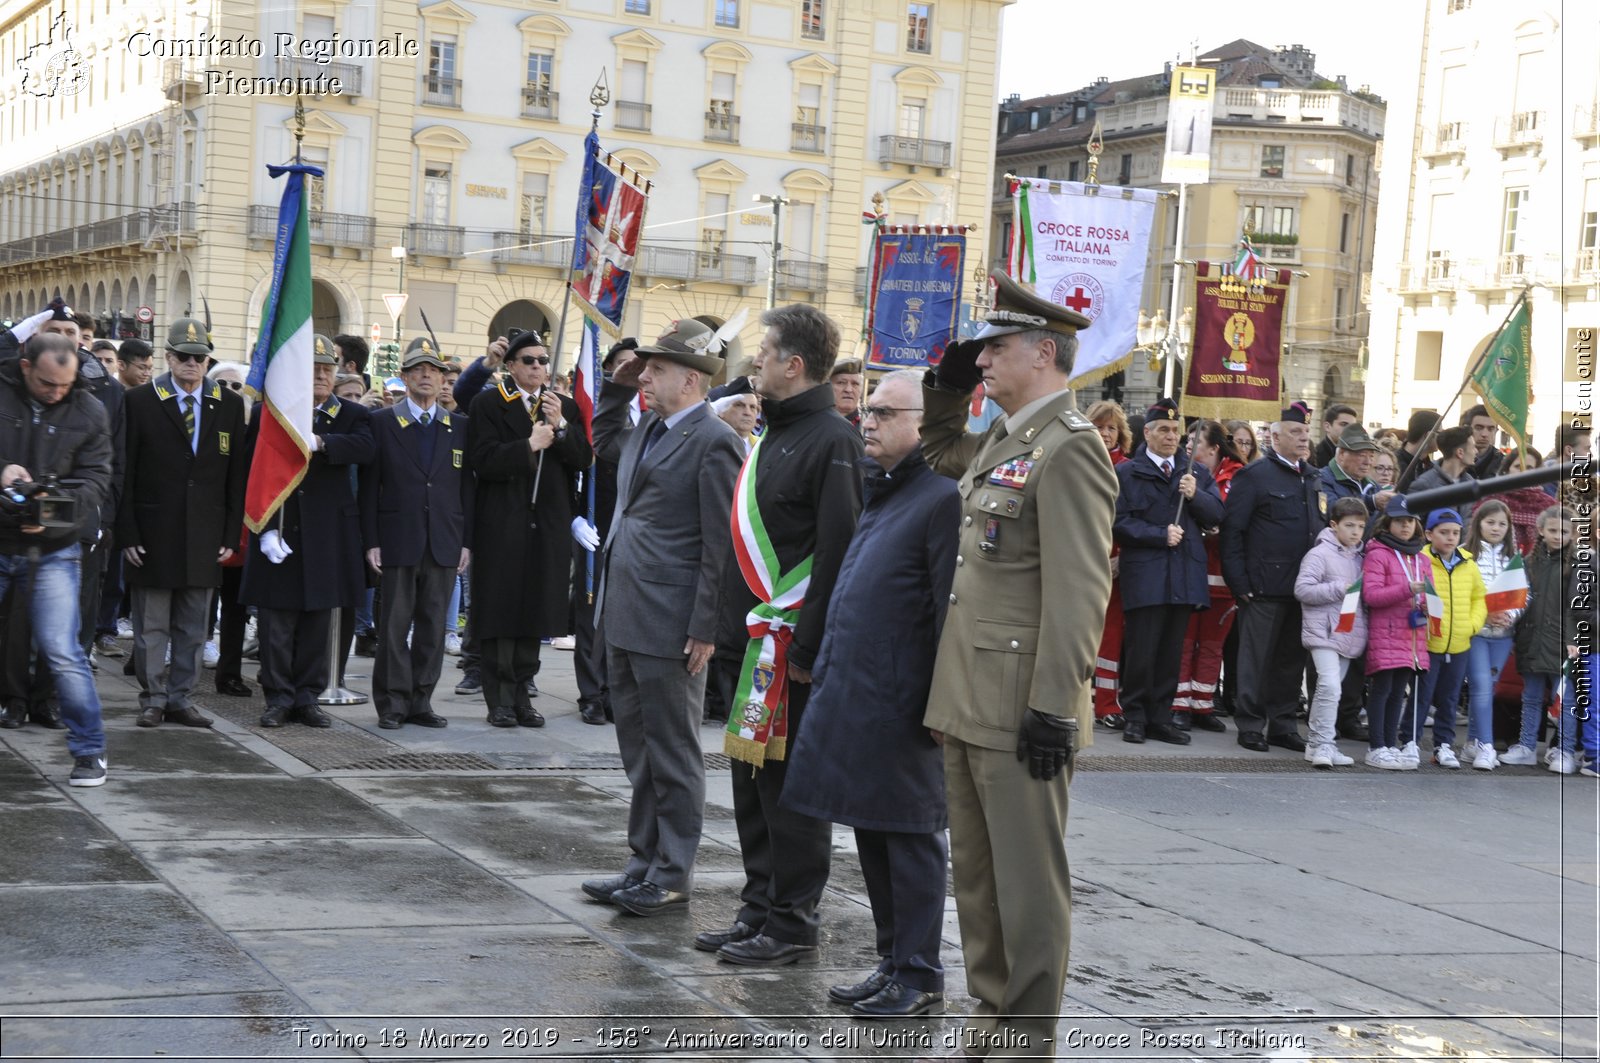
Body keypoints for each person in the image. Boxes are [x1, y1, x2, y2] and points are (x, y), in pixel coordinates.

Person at [920, 271, 1116, 1058]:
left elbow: (1079, 591)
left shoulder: (1071, 448)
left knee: (1028, 879)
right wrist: (945, 386)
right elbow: (938, 447)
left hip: (1020, 701)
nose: (983, 360)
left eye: (994, 348)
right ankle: (992, 1006)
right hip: (968, 691)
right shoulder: (1007, 439)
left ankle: (1027, 1029)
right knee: (976, 870)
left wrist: (1056, 705)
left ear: (1044, 352)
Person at [782, 369, 959, 1019]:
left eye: (885, 412)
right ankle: (892, 962)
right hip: (860, 693)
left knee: (910, 838)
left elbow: (948, 612)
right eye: (870, 411)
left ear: (922, 422)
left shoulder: (941, 497)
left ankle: (919, 972)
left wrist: (943, 702)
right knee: (874, 834)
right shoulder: (882, 490)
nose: (869, 421)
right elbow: (854, 589)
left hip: (906, 702)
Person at [699, 304, 863, 967]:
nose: (755, 361)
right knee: (750, 784)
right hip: (753, 647)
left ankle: (792, 921)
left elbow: (839, 551)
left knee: (789, 791)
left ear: (794, 365)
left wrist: (812, 648)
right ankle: (758, 907)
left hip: (792, 651)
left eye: (764, 352)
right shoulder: (775, 432)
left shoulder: (834, 440)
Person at [581, 320, 743, 917]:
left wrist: (705, 627)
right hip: (625, 607)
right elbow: (602, 439)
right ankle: (641, 864)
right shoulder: (648, 424)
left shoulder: (714, 439)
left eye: (656, 368)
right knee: (639, 750)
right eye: (644, 367)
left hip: (672, 620)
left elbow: (718, 545)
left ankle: (672, 874)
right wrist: (616, 385)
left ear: (692, 379)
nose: (645, 374)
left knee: (672, 752)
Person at [239, 335, 376, 728]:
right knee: (276, 624)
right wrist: (261, 527)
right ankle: (278, 698)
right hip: (279, 531)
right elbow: (252, 470)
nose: (319, 374)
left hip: (327, 534)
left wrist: (321, 442)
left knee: (319, 622)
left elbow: (365, 449)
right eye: (312, 368)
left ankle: (307, 697)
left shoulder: (352, 415)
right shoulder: (272, 413)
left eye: (326, 368)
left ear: (338, 372)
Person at [118, 317, 247, 730]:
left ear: (208, 361)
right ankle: (153, 698)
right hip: (153, 532)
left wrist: (231, 534)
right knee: (151, 626)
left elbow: (235, 477)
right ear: (168, 357)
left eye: (199, 357)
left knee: (193, 627)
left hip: (205, 534)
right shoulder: (139, 401)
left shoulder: (227, 404)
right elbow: (125, 472)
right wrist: (129, 533)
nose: (192, 364)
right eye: (183, 356)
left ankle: (181, 698)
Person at [0, 334, 112, 785]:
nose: (56, 392)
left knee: (64, 652)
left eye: (64, 385)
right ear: (26, 367)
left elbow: (96, 479)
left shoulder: (90, 410)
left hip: (54, 547)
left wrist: (50, 503)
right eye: (48, 383)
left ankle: (90, 752)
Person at [465, 330, 591, 728]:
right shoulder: (488, 403)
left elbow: (583, 460)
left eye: (542, 360)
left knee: (535, 611)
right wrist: (529, 445)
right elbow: (482, 461)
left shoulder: (562, 405)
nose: (538, 367)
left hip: (548, 523)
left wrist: (561, 428)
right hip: (503, 520)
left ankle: (523, 694)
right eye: (529, 360)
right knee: (502, 611)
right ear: (511, 366)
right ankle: (499, 698)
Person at [360, 338, 473, 729]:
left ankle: (421, 700)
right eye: (418, 370)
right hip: (397, 537)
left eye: (434, 370)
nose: (427, 376)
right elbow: (370, 486)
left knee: (433, 627)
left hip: (443, 539)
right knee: (393, 626)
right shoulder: (381, 422)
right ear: (405, 377)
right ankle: (392, 703)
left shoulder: (458, 426)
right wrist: (371, 539)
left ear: (444, 380)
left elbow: (466, 490)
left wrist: (466, 541)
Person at [1113, 399, 1225, 746]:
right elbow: (1117, 522)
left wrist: (1195, 496)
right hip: (1146, 574)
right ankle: (1134, 715)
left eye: (1176, 430)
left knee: (1170, 652)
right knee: (1142, 650)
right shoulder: (1129, 473)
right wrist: (1157, 535)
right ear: (1147, 433)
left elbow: (1217, 514)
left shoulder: (1195, 472)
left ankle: (1160, 717)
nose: (1171, 436)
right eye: (1163, 429)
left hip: (1183, 576)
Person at [1220, 402, 1321, 753]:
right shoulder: (1255, 476)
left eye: (1306, 433)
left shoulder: (1312, 477)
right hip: (1262, 586)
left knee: (1289, 662)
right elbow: (1233, 532)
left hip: (1302, 587)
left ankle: (1282, 724)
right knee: (1256, 661)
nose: (1303, 439)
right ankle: (1250, 724)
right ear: (1275, 436)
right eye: (1296, 432)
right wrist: (1240, 584)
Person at [1401, 508, 1486, 769]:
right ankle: (1409, 742)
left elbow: (1478, 598)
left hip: (1459, 642)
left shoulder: (1468, 564)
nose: (1450, 538)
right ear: (1429, 534)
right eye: (1444, 532)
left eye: (1455, 533)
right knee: (1421, 696)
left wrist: (1471, 625)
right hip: (1429, 642)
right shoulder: (1419, 560)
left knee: (1450, 698)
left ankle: (1443, 745)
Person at [1173, 419, 1244, 732]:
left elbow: (1239, 517)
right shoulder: (1183, 472)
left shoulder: (1238, 476)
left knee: (1213, 644)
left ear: (1214, 448)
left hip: (1221, 574)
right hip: (1190, 571)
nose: (1188, 448)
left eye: (1195, 444)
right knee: (1185, 641)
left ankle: (1203, 705)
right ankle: (1179, 705)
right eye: (1187, 443)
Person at [1294, 497, 1369, 768]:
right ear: (1334, 525)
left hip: (1349, 631)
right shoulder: (1319, 554)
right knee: (1329, 686)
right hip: (1323, 630)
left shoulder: (1363, 557)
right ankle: (1323, 742)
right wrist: (1338, 588)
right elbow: (1302, 590)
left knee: (1332, 689)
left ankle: (1318, 743)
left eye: (1360, 526)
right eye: (1349, 525)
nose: (1355, 532)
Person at [1505, 506, 1577, 771]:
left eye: (1564, 531)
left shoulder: (1578, 564)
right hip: (1532, 640)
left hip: (1564, 643)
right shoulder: (1528, 562)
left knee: (1566, 701)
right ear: (1541, 531)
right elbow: (1519, 601)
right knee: (1532, 697)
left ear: (1572, 534)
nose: (1558, 536)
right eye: (1553, 530)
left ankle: (1565, 751)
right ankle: (1526, 746)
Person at [1360, 496, 1430, 769]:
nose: (1405, 526)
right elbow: (1372, 595)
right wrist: (1407, 590)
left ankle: (1390, 744)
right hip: (1386, 632)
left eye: (1410, 522)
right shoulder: (1378, 552)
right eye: (1400, 521)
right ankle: (1376, 746)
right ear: (1388, 523)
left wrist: (1427, 604)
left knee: (1399, 690)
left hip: (1411, 635)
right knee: (1382, 689)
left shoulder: (1421, 558)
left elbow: (1429, 592)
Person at [1461, 500, 1520, 771]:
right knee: (1482, 687)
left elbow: (1524, 593)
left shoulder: (1513, 556)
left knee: (1488, 689)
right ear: (1478, 524)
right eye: (1490, 522)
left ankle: (1472, 742)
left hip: (1503, 634)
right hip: (1475, 633)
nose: (1496, 528)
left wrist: (1511, 615)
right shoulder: (1465, 554)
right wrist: (1485, 614)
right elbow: (1462, 594)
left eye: (1502, 524)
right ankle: (1486, 745)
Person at [1084, 400, 1131, 729]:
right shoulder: (1076, 462)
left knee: (1110, 637)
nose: (1105, 433)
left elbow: (1132, 519)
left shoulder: (1127, 468)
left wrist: (1121, 556)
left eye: (1111, 428)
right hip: (1079, 561)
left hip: (1114, 562)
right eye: (1099, 426)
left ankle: (1106, 705)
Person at [1406, 425, 1477, 522]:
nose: (1476, 451)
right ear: (1460, 452)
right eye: (1473, 447)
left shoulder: (1471, 483)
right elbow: (1415, 525)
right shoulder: (1424, 485)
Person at [1316, 423, 1385, 515]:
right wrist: (1371, 502)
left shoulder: (1373, 486)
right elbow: (1332, 511)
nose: (1368, 462)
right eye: (1362, 455)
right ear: (1341, 454)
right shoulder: (1321, 479)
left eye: (1371, 456)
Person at [1395, 410, 1439, 491]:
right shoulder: (1395, 465)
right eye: (1440, 433)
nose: (1442, 437)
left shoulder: (1430, 466)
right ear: (1428, 435)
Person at [1311, 403, 1359, 469]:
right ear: (1327, 427)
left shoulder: (1354, 456)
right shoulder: (1315, 457)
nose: (1349, 430)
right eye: (1344, 424)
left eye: (1352, 426)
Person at [1462, 405, 1503, 480]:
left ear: (1496, 431)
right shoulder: (1454, 460)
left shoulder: (1504, 464)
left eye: (1490, 429)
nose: (1484, 434)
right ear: (1466, 429)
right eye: (1479, 428)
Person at [829, 357, 863, 428]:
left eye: (855, 384)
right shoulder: (813, 423)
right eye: (841, 383)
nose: (849, 390)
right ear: (828, 387)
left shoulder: (868, 426)